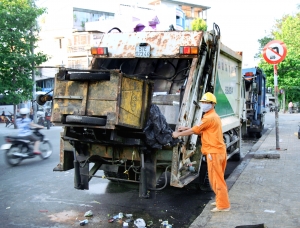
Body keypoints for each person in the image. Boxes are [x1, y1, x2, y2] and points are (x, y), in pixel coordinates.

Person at [172, 92, 230, 212]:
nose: (203, 104)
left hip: (214, 152)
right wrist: (187, 128)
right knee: (217, 178)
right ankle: (220, 200)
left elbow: (196, 130)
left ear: (212, 104)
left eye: (206, 102)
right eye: (203, 102)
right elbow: (201, 130)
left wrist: (178, 134)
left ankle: (223, 206)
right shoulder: (212, 116)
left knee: (216, 179)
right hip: (218, 151)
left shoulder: (209, 118)